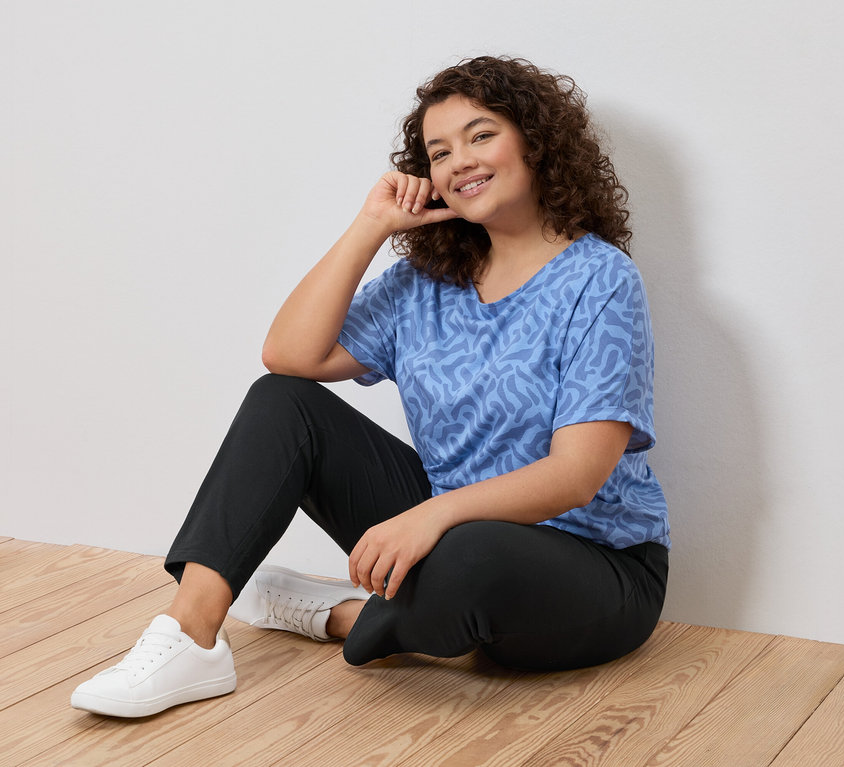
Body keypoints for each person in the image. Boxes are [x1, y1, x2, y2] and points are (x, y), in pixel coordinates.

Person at [71, 55, 670, 718]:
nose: (460, 161)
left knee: (472, 557)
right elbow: (289, 356)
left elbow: (576, 476)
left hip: (595, 560)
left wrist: (431, 516)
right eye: (439, 153)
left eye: (480, 135)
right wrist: (371, 226)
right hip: (448, 533)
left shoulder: (601, 280)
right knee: (282, 402)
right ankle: (190, 635)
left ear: (535, 141)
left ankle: (341, 613)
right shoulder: (426, 283)